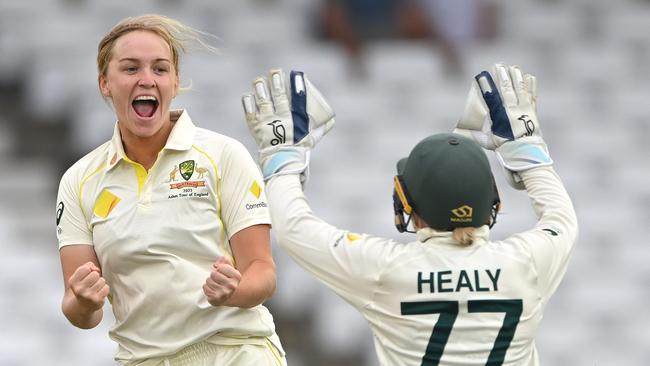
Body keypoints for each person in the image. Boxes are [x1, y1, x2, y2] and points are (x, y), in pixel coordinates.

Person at [241, 64, 577, 365]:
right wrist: (527, 153)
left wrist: (282, 158)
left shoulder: (385, 270)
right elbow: (561, 219)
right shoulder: (528, 262)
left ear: (408, 205)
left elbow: (293, 228)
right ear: (492, 200)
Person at [55, 14, 286, 365]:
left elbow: (262, 271)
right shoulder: (79, 180)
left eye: (160, 69)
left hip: (235, 351)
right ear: (105, 82)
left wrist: (233, 291)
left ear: (175, 82)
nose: (147, 79)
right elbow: (79, 311)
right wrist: (85, 301)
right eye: (131, 68)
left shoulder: (223, 155)